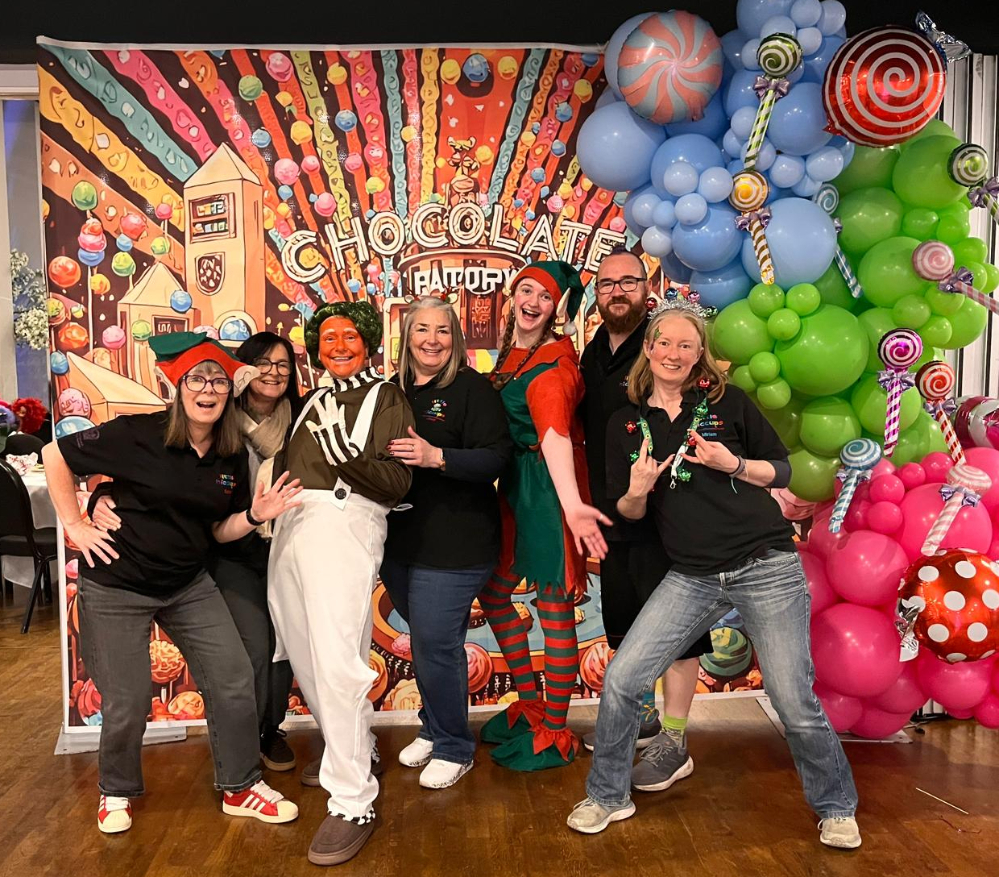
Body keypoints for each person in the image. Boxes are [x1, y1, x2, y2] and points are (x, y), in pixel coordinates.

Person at [566, 297, 861, 850]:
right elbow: (628, 512)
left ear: (699, 353)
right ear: (648, 349)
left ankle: (836, 806)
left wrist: (735, 465)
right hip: (693, 574)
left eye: (687, 344)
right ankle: (607, 795)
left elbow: (783, 470)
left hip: (764, 565)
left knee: (792, 699)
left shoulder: (729, 404)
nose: (674, 353)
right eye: (665, 342)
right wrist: (636, 491)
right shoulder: (625, 423)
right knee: (624, 679)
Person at [42, 332, 302, 834]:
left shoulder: (229, 454)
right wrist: (76, 522)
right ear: (178, 387)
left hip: (186, 583)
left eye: (219, 382)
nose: (208, 389)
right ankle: (116, 790)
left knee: (233, 678)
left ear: (229, 392)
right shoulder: (139, 433)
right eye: (197, 380)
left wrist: (255, 514)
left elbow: (218, 530)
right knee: (128, 699)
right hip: (118, 586)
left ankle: (241, 786)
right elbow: (57, 454)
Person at [266, 300, 414, 866]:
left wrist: (345, 459)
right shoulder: (311, 400)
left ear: (370, 343)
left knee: (337, 662)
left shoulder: (387, 397)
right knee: (303, 653)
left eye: (350, 335)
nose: (339, 345)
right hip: (292, 524)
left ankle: (353, 800)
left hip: (343, 523)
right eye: (328, 337)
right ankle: (354, 747)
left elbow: (397, 483)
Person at [579, 247, 713, 779]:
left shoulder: (663, 345)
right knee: (625, 624)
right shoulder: (592, 351)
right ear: (597, 293)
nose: (617, 292)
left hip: (672, 515)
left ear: (646, 288)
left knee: (680, 634)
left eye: (628, 282)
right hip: (614, 508)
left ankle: (675, 740)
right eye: (607, 283)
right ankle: (643, 718)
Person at [479, 260, 611, 771]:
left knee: (554, 606)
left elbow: (555, 436)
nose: (533, 302)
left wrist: (573, 507)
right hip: (517, 485)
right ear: (513, 296)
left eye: (545, 296)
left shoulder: (553, 365)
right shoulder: (515, 353)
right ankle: (531, 704)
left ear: (557, 308)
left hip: (550, 490)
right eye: (526, 291)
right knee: (495, 593)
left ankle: (554, 730)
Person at [379, 295, 512, 789]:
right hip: (399, 542)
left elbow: (497, 457)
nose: (432, 340)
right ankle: (434, 728)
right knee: (430, 643)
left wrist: (437, 457)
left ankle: (455, 747)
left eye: (442, 331)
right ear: (407, 337)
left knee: (436, 642)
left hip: (457, 542)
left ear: (454, 338)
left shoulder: (471, 389)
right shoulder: (390, 390)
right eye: (422, 330)